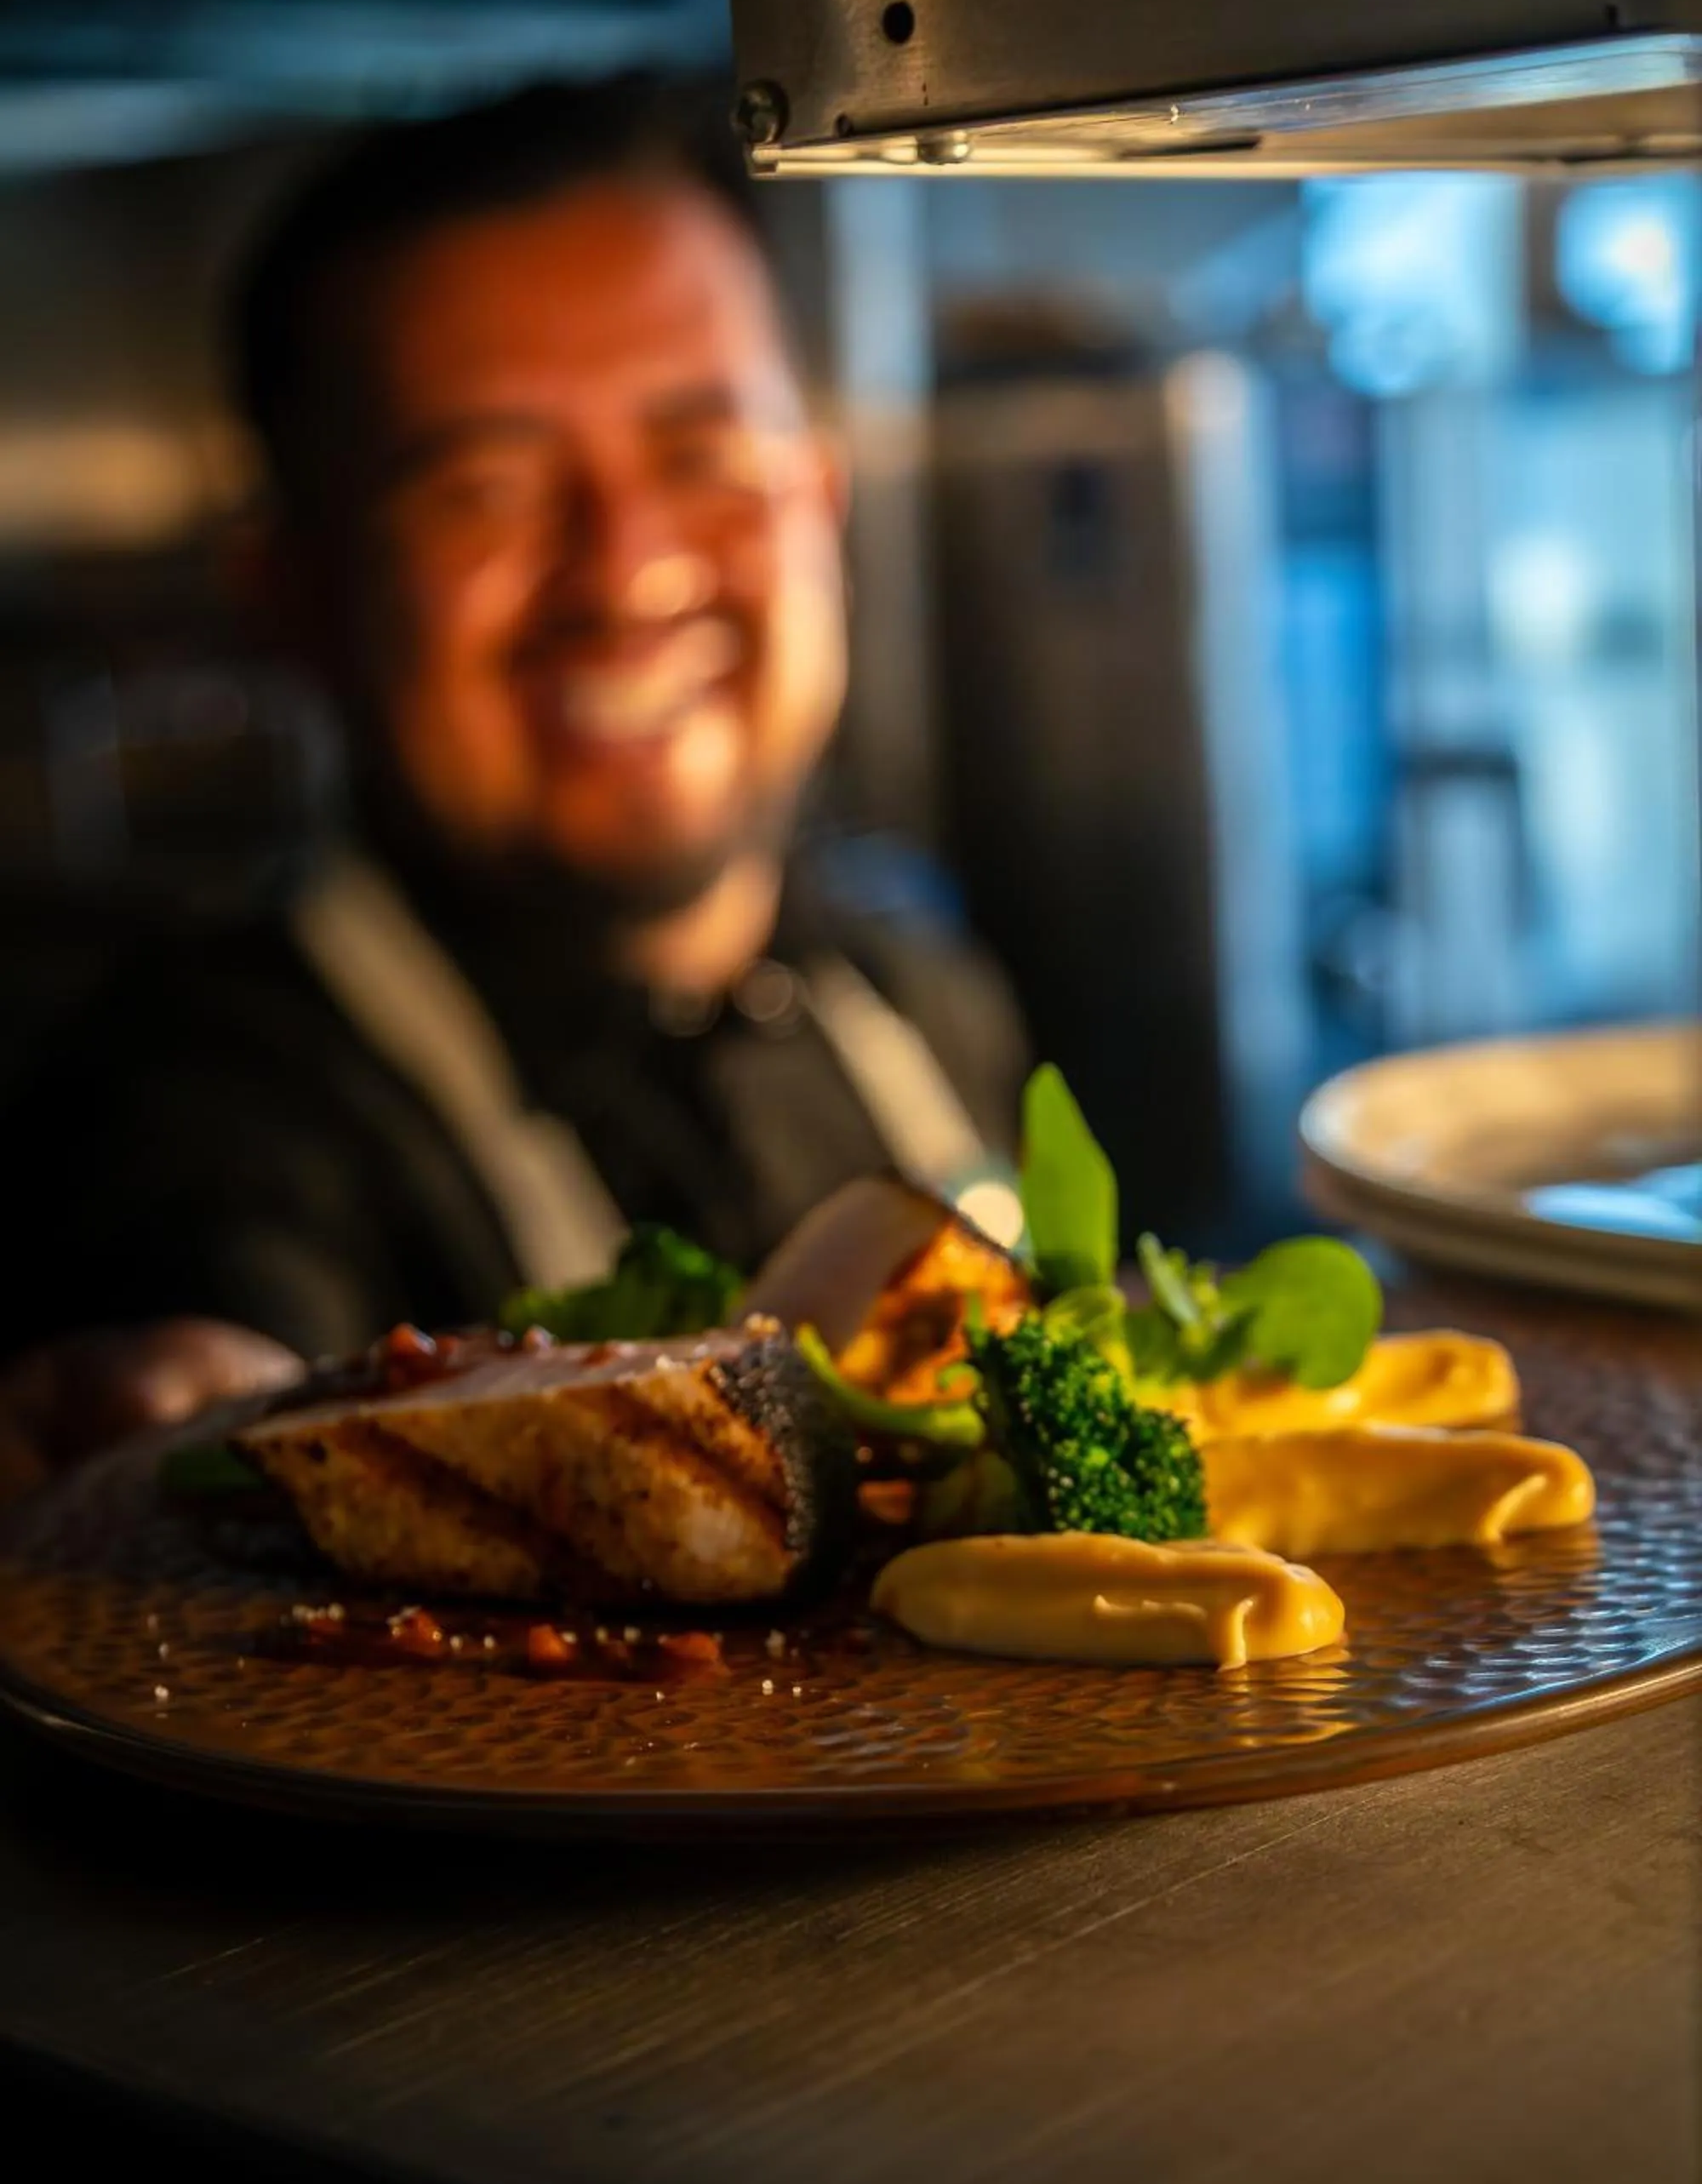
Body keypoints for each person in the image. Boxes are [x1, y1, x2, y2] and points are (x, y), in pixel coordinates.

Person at [0, 77, 1025, 1479]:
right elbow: (210, 1352)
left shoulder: (921, 990)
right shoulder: (192, 1115)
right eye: (485, 490)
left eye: (705, 455)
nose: (625, 573)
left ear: (820, 502)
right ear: (291, 593)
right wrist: (185, 1426)